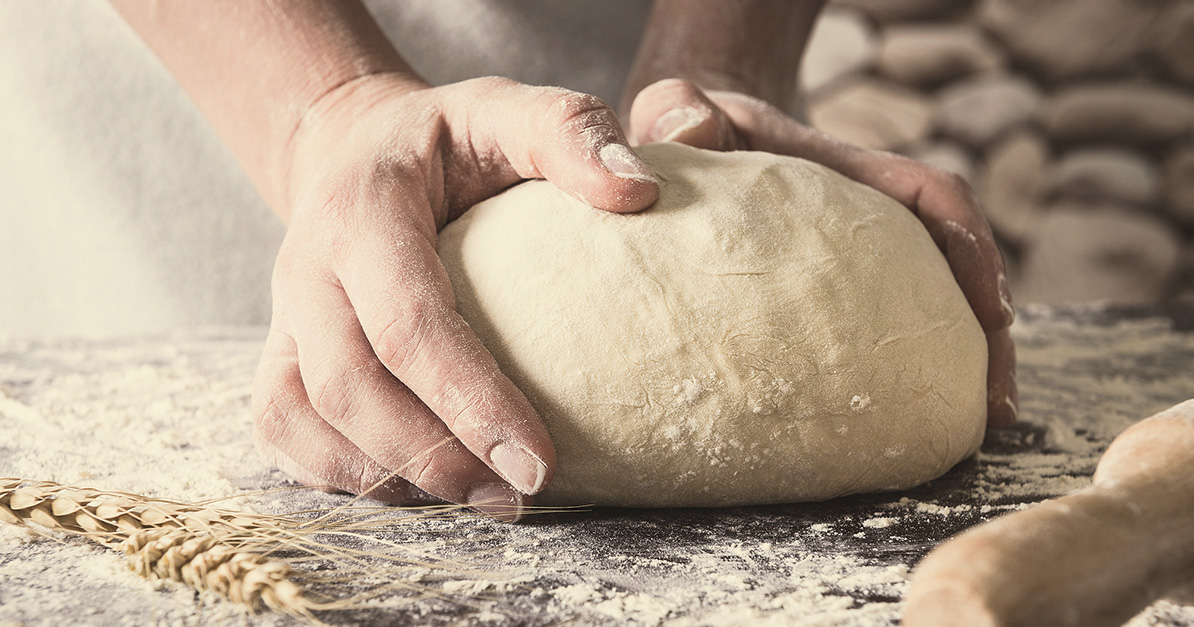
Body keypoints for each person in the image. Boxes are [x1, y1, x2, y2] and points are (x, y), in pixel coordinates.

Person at [103, 0, 1016, 520]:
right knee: (360, 373)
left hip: (620, 110)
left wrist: (715, 69)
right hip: (219, 70)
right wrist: (327, 111)